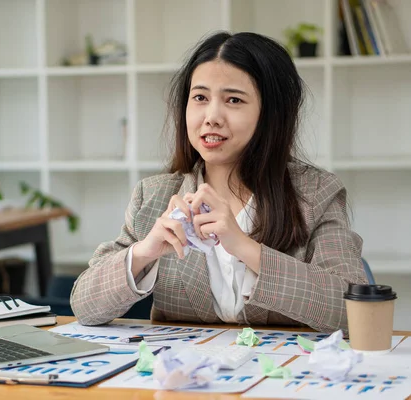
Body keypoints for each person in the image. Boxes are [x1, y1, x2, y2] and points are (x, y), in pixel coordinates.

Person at [70, 31, 366, 332]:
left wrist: (244, 247)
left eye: (233, 100)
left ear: (271, 114)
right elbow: (85, 307)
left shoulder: (315, 193)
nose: (211, 116)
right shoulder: (155, 196)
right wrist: (144, 252)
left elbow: (352, 312)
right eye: (200, 97)